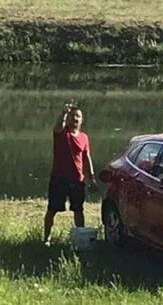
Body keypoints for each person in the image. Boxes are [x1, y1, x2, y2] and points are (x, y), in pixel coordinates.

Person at [43, 103, 96, 246]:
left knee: (78, 210)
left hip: (77, 180)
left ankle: (81, 240)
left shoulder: (84, 137)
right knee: (52, 209)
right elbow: (59, 125)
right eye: (72, 116)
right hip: (59, 178)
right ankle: (46, 239)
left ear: (82, 120)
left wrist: (91, 178)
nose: (75, 119)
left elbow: (86, 158)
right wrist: (63, 114)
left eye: (78, 116)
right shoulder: (61, 133)